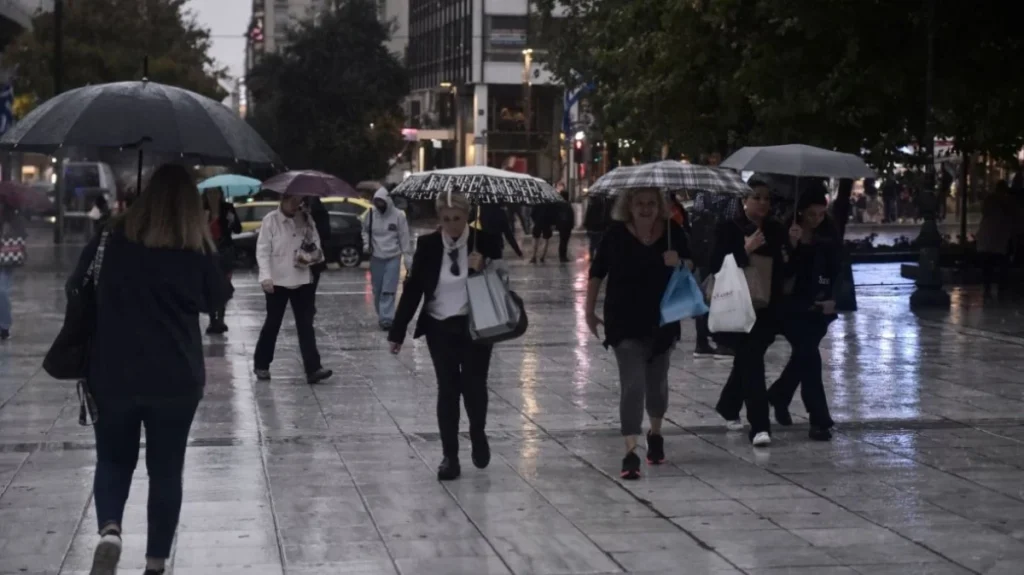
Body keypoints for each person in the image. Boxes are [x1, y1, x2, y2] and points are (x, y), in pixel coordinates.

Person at [70, 164, 227, 575]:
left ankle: (109, 531)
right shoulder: (195, 246)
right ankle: (155, 562)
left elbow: (76, 286)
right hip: (176, 375)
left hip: (113, 371)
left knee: (113, 460)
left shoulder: (110, 235)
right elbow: (217, 297)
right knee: (166, 469)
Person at [387, 191, 502, 481]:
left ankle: (477, 433)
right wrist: (397, 331)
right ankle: (449, 456)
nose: (452, 225)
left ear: (467, 217)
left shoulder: (484, 241)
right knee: (448, 390)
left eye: (458, 219)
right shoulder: (427, 245)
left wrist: (481, 269)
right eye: (446, 219)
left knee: (475, 387)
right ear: (439, 219)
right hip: (439, 327)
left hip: (475, 326)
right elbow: (413, 289)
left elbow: (503, 283)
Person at [585, 188, 691, 480]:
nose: (645, 209)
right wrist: (588, 310)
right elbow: (597, 272)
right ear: (628, 206)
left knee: (657, 384)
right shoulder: (615, 234)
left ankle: (655, 433)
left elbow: (692, 265)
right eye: (639, 203)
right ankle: (630, 451)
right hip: (624, 322)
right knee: (633, 385)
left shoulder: (673, 232)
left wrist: (679, 262)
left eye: (650, 204)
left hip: (663, 320)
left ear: (659, 206)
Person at [711, 180, 797, 447]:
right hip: (738, 308)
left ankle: (728, 404)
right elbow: (714, 265)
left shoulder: (776, 230)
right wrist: (743, 250)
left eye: (766, 198)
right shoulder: (729, 229)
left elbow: (787, 270)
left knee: (749, 361)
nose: (762, 203)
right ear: (744, 201)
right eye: (756, 197)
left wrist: (792, 245)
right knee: (752, 363)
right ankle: (760, 426)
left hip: (768, 309)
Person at [767, 186, 840, 441]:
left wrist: (834, 300)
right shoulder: (785, 233)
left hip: (820, 308)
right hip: (791, 308)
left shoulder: (829, 235)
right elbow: (780, 274)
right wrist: (792, 246)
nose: (817, 220)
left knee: (805, 355)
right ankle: (819, 419)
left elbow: (837, 272)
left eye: (821, 214)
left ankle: (780, 393)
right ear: (800, 212)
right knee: (810, 357)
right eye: (811, 214)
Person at [253, 193, 333, 384]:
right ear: (282, 200)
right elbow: (263, 250)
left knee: (305, 324)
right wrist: (265, 276)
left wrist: (308, 224)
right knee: (273, 323)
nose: (295, 204)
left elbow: (316, 243)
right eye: (291, 200)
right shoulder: (270, 220)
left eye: (298, 201)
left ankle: (313, 368)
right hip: (276, 281)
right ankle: (261, 364)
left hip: (302, 277)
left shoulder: (305, 219)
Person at [362, 187, 413, 330]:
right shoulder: (371, 214)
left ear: (388, 201)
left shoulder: (399, 216)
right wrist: (367, 244)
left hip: (393, 257)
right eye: (376, 202)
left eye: (381, 202)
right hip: (376, 257)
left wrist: (408, 261)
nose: (379, 205)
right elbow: (365, 230)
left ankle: (387, 318)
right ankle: (382, 314)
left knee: (388, 289)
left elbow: (404, 238)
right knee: (377, 289)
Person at [202, 187, 241, 334]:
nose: (213, 195)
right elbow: (197, 231)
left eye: (215, 192)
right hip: (208, 252)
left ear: (221, 194)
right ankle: (212, 320)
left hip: (225, 252)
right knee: (209, 285)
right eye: (210, 192)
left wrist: (232, 220)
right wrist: (207, 220)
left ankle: (221, 319)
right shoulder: (202, 209)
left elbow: (238, 229)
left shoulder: (227, 208)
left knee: (224, 285)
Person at [976, 180, 1020, 297]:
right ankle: (1000, 289)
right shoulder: (1009, 202)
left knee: (988, 266)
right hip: (1000, 239)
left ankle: (988, 289)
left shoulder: (990, 200)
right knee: (1001, 265)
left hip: (988, 239)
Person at [0, 201, 26, 340]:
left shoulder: (13, 217)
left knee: (2, 291)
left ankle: (4, 326)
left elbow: (22, 235)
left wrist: (8, 231)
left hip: (6, 260)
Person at [307, 196, 332, 300]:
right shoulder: (322, 212)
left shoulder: (311, 215)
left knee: (307, 287)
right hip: (316, 255)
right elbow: (327, 233)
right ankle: (309, 306)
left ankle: (308, 307)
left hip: (310, 254)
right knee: (311, 287)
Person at [583, 194, 611, 259]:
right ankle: (596, 256)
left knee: (594, 242)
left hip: (593, 227)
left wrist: (586, 225)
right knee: (597, 243)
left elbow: (588, 216)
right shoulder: (603, 205)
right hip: (598, 227)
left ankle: (593, 256)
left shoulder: (591, 205)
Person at [554, 185, 576, 262]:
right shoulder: (566, 204)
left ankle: (562, 256)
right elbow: (570, 215)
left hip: (561, 225)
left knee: (563, 241)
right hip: (566, 225)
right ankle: (563, 256)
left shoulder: (559, 204)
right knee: (564, 241)